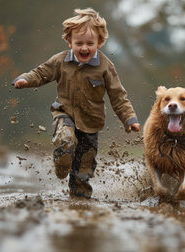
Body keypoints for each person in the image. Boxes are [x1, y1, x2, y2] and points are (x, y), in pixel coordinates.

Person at [12, 8, 140, 198]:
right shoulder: (61, 61)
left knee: (84, 168)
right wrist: (25, 79)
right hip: (64, 114)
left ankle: (79, 201)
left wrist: (129, 118)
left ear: (100, 43)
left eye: (90, 43)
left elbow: (118, 95)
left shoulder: (105, 66)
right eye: (79, 43)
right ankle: (62, 160)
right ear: (69, 41)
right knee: (66, 139)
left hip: (91, 123)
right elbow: (41, 73)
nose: (84, 48)